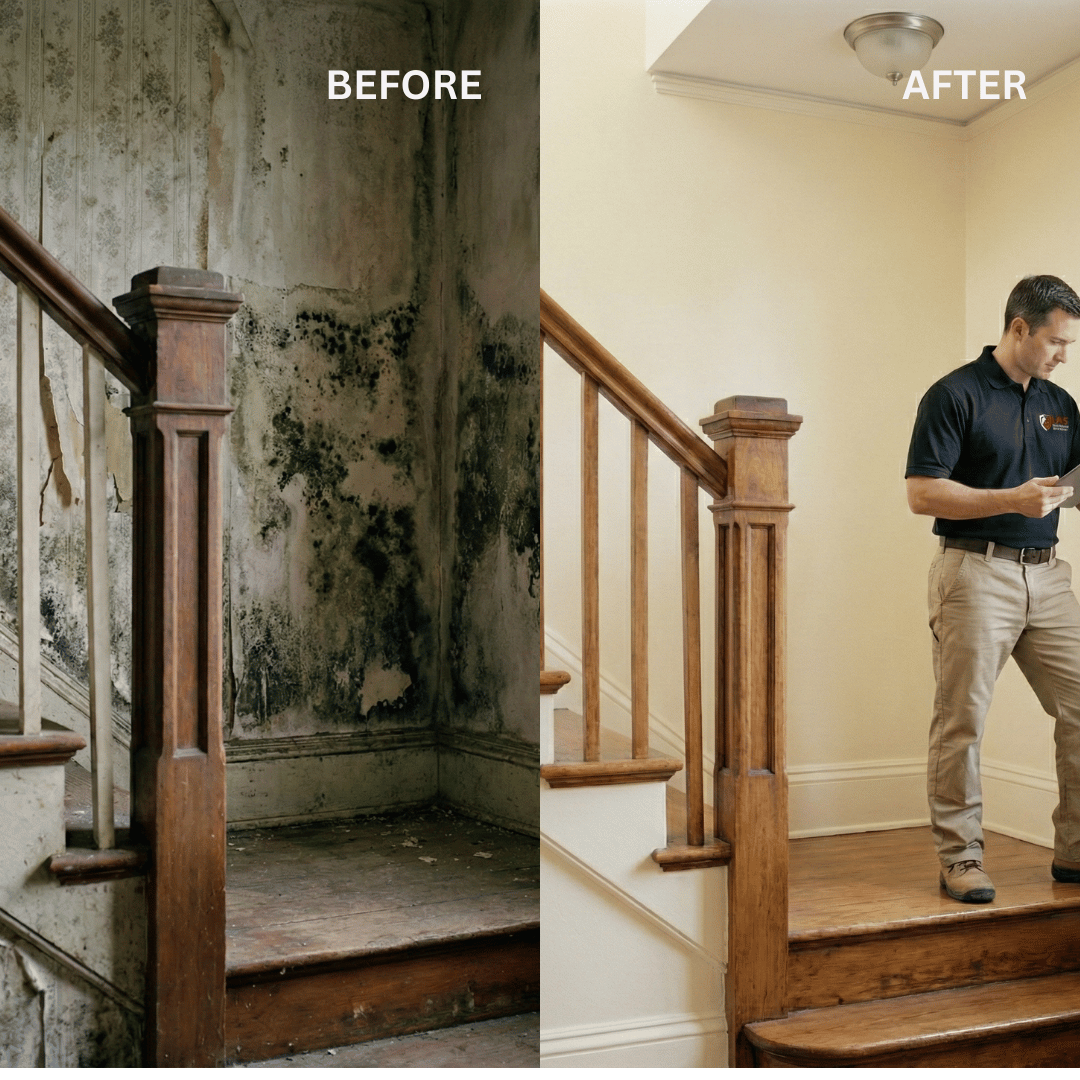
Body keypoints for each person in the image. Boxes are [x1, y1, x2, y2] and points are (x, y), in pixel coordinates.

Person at [906, 275, 1080, 903]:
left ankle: (1075, 852)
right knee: (963, 720)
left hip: (1050, 577)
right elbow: (922, 493)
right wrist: (1012, 498)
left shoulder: (1061, 402)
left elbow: (1072, 486)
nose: (1064, 354)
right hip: (975, 573)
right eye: (1056, 342)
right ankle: (961, 857)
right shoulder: (954, 395)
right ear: (1017, 329)